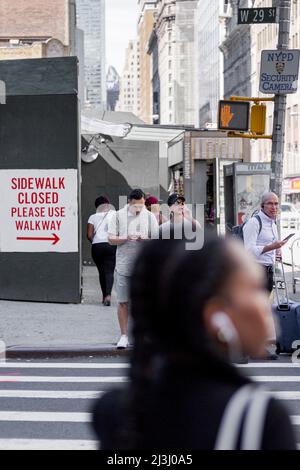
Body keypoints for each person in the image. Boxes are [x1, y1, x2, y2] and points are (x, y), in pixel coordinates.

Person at [93, 236, 296, 449]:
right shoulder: (259, 418)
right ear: (216, 316)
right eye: (254, 288)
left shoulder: (115, 411)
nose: (265, 302)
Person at [108, 189, 159, 349]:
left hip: (145, 267)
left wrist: (146, 240)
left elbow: (157, 241)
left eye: (142, 205)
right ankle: (124, 335)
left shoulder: (150, 216)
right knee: (123, 301)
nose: (139, 209)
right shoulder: (117, 216)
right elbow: (110, 240)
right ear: (129, 202)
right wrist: (126, 238)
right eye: (136, 206)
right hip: (124, 265)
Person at [243, 192, 287, 294]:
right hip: (256, 271)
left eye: (276, 204)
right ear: (262, 206)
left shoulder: (272, 223)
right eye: (270, 203)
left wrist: (277, 252)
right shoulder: (254, 223)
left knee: (265, 303)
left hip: (269, 271)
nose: (274, 207)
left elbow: (274, 244)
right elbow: (249, 251)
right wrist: (272, 247)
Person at [87, 196, 116, 307]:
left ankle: (104, 296)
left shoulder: (92, 217)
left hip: (97, 246)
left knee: (101, 271)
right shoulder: (114, 215)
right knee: (109, 271)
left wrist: (96, 242)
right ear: (107, 205)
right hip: (111, 244)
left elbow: (89, 235)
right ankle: (108, 295)